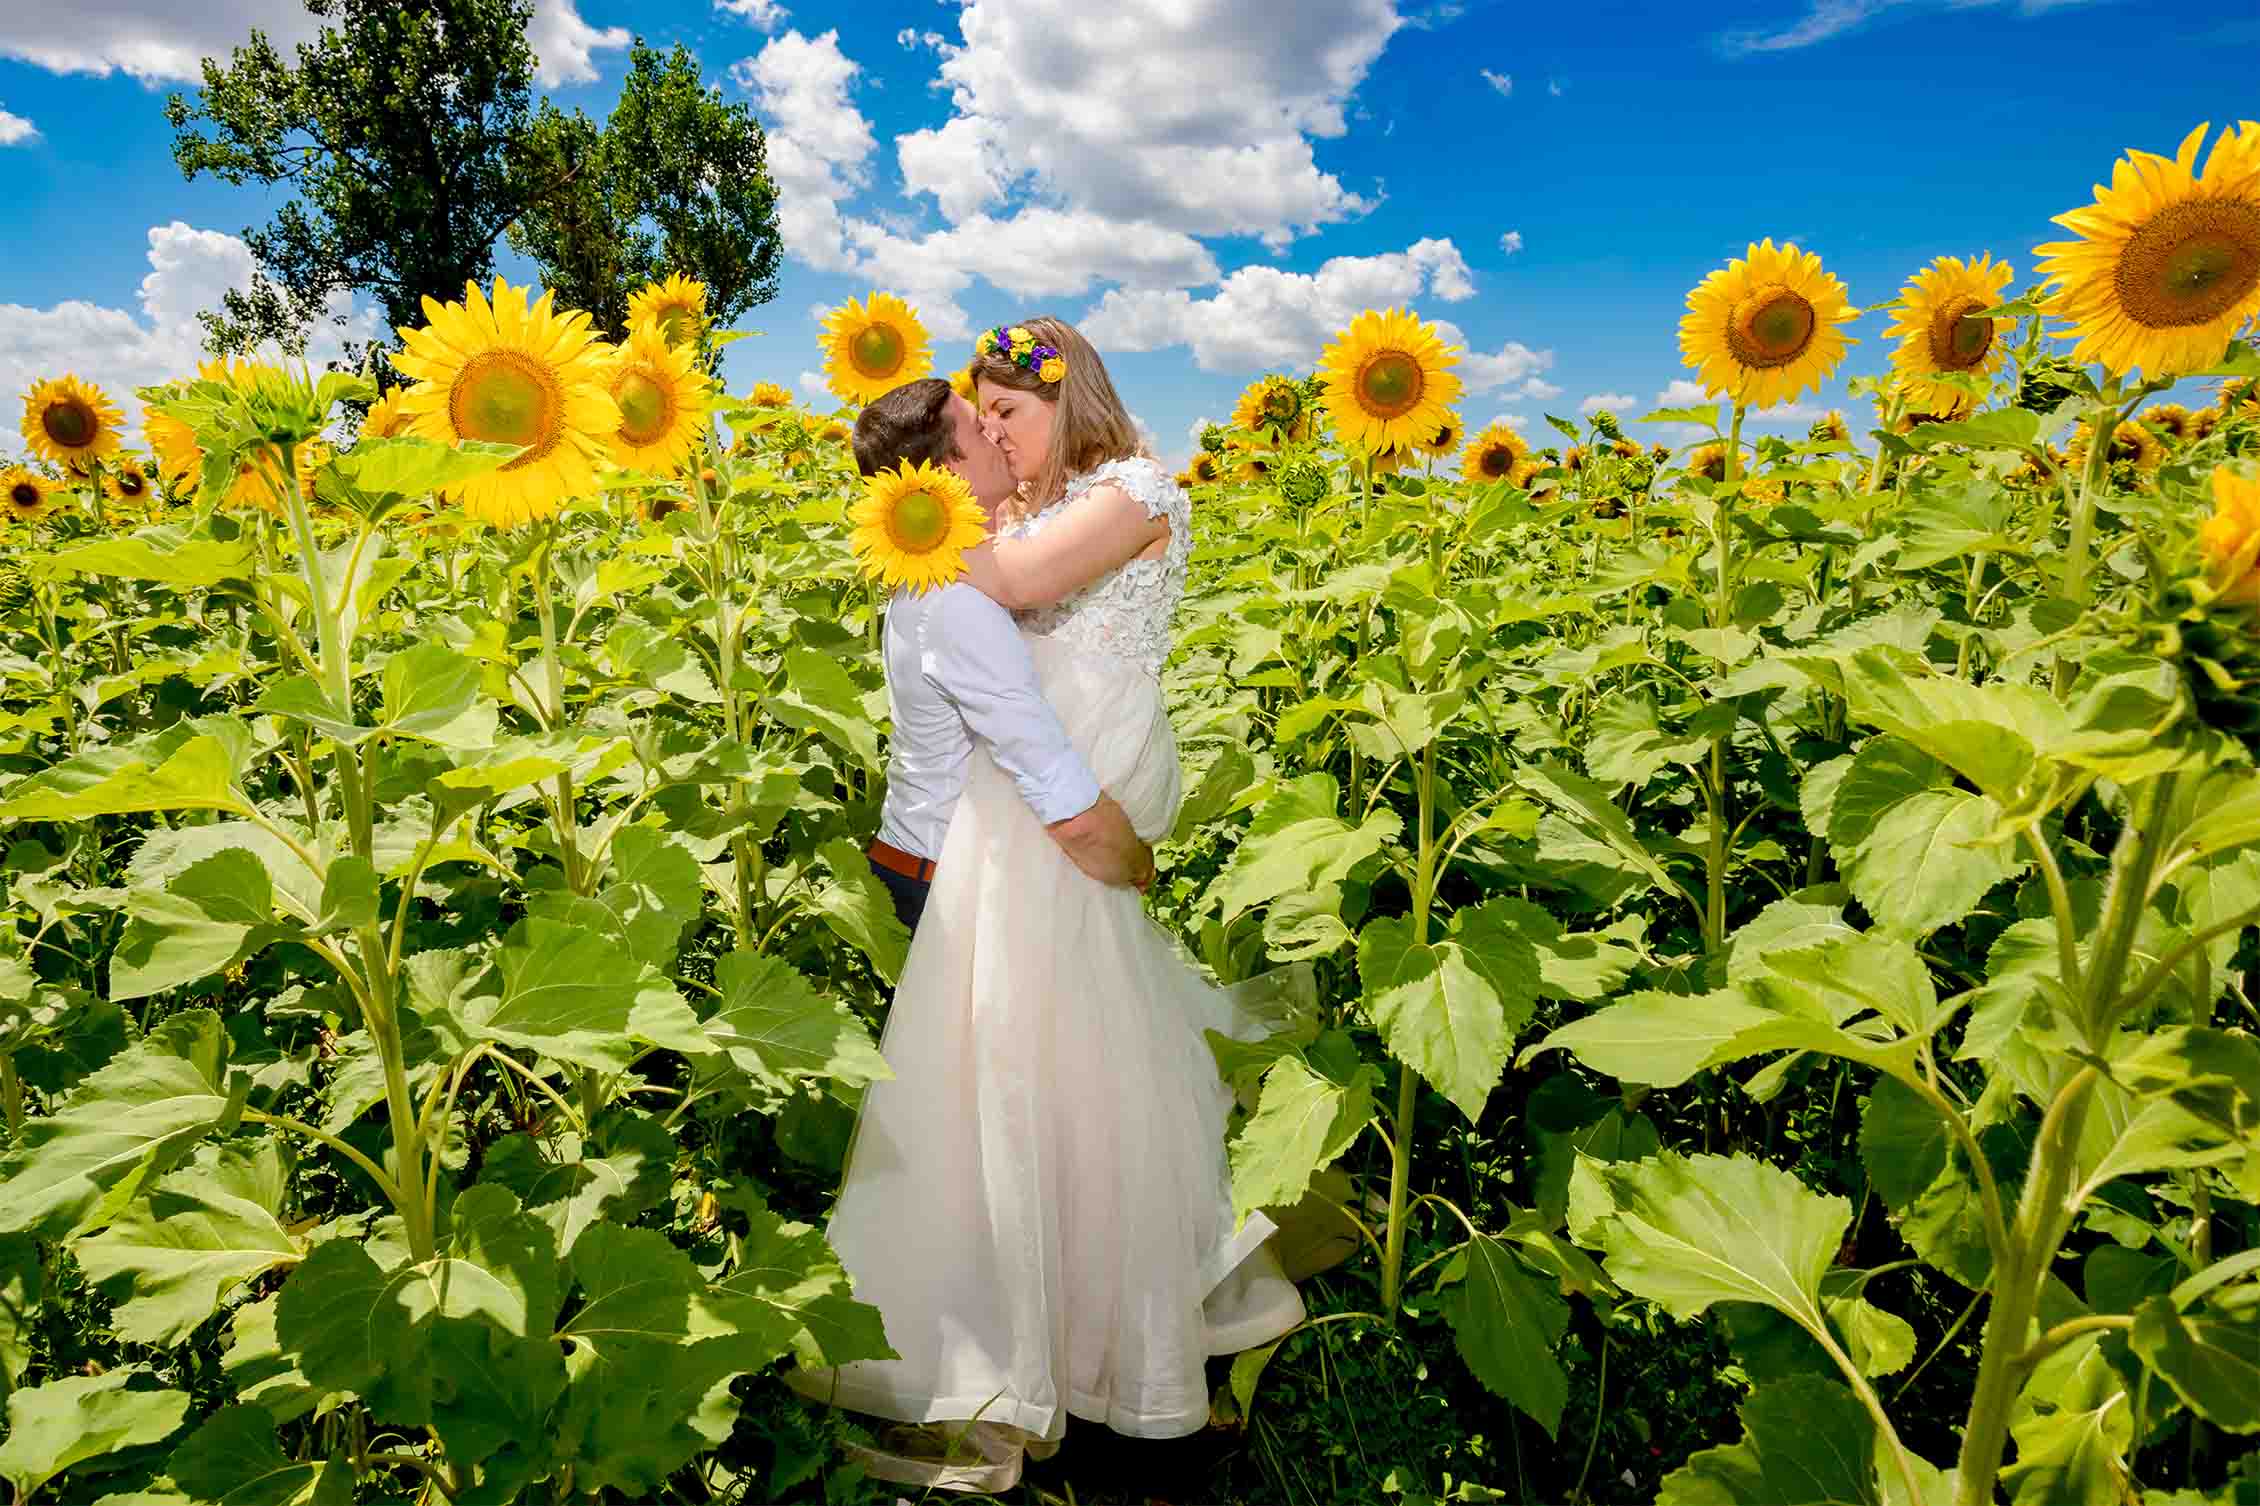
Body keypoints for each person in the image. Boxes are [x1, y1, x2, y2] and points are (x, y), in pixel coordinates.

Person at [784, 317, 1307, 1492]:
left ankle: (1096, 1347)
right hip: (1025, 825)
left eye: (1007, 419)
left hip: (1060, 814)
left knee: (1080, 1074)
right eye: (984, 425)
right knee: (1046, 1076)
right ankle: (1058, 1351)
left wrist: (912, 521)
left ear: (1070, 404)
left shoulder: (1132, 489)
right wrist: (925, 512)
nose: (1001, 445)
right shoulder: (1015, 518)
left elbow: (1015, 588)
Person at [849, 376, 1154, 933]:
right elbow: (1061, 799)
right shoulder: (956, 603)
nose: (996, 430)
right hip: (942, 883)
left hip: (930, 865)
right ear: (947, 472)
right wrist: (1133, 860)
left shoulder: (935, 581)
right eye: (977, 424)